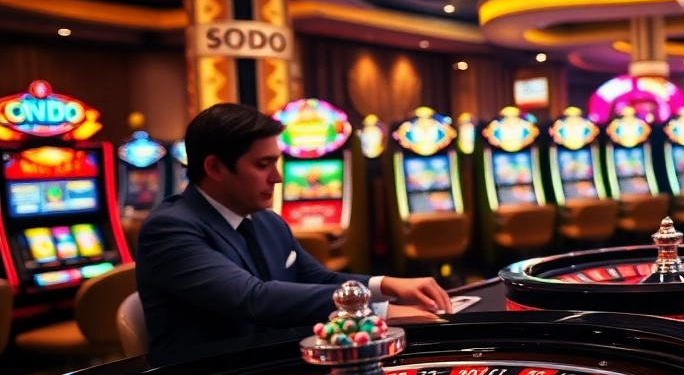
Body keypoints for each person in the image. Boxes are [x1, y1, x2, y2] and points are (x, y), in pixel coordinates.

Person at [137, 103, 451, 352]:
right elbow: (254, 298)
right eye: (263, 165)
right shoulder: (170, 229)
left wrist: (388, 285)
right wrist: (376, 311)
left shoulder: (265, 219)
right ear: (215, 167)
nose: (277, 177)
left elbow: (318, 278)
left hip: (273, 360)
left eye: (276, 163)